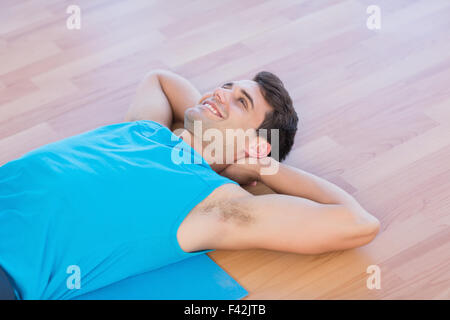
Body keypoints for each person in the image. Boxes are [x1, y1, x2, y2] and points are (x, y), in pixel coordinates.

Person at [0, 70, 380, 300]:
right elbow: (161, 78)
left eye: (241, 101)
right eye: (226, 85)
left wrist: (258, 167)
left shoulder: (215, 205)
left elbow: (358, 223)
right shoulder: (147, 126)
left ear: (258, 146)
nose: (220, 93)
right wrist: (214, 117)